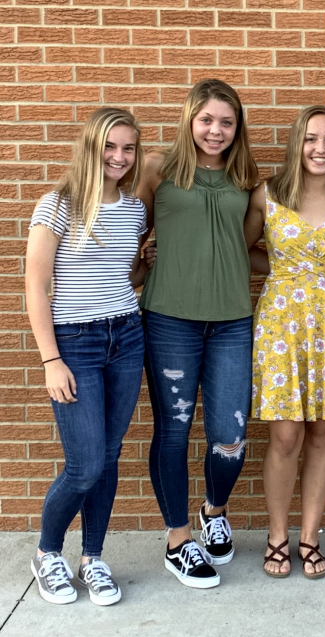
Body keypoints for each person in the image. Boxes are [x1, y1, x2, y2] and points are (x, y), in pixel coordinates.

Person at [137, 79, 258, 588]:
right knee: (174, 430)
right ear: (190, 119)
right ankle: (178, 539)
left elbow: (247, 245)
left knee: (230, 434)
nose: (216, 130)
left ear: (237, 128)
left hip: (232, 318)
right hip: (169, 318)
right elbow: (130, 231)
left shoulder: (247, 177)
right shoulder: (156, 171)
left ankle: (214, 510)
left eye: (226, 122)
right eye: (207, 119)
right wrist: (142, 258)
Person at [25, 107, 148, 605]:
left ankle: (92, 558)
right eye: (110, 147)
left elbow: (120, 277)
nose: (119, 157)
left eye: (128, 148)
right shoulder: (57, 205)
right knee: (85, 464)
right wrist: (50, 360)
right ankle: (48, 552)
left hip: (127, 336)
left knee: (111, 454)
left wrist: (145, 268)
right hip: (74, 343)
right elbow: (35, 285)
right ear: (91, 148)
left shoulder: (135, 209)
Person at [244, 105, 325, 579]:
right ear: (297, 143)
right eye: (312, 139)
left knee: (324, 433)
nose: (321, 148)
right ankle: (277, 537)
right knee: (287, 434)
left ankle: (310, 537)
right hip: (281, 325)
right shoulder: (268, 195)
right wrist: (285, 273)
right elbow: (243, 248)